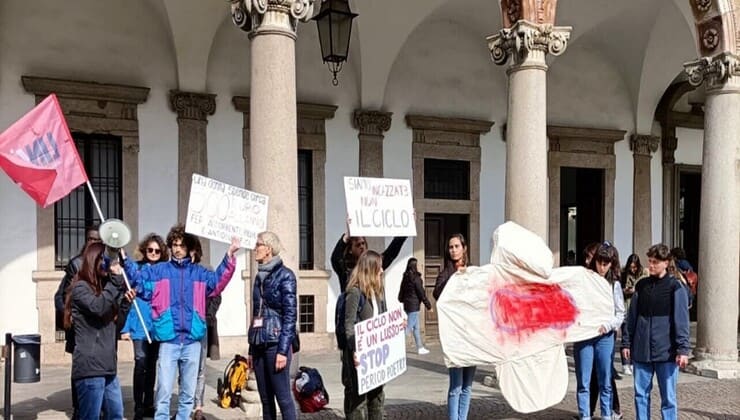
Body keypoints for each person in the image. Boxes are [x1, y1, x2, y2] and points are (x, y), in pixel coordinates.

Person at [122, 224, 240, 420]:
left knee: (187, 395)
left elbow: (217, 282)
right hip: (169, 341)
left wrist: (229, 255)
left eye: (181, 245)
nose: (177, 248)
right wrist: (124, 259)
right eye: (174, 244)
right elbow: (138, 280)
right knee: (163, 393)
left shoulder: (199, 273)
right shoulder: (160, 271)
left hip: (192, 341)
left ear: (189, 247)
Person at [63, 241, 133, 420]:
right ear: (94, 260)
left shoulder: (107, 289)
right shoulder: (80, 288)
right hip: (90, 368)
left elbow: (115, 326)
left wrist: (125, 304)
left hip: (108, 367)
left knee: (116, 414)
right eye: (104, 259)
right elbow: (98, 307)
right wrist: (116, 283)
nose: (108, 264)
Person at [622, 244, 690, 420]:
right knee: (640, 396)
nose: (650, 265)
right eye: (650, 261)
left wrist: (683, 349)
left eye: (655, 262)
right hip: (641, 351)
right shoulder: (641, 285)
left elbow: (681, 321)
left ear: (666, 263)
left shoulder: (675, 287)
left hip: (666, 353)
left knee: (668, 398)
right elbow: (632, 317)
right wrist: (626, 342)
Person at [247, 231, 297, 420]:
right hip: (259, 342)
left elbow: (290, 316)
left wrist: (283, 351)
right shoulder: (259, 277)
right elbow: (256, 314)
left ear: (268, 249)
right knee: (266, 400)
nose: (255, 248)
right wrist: (251, 348)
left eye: (258, 244)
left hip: (276, 343)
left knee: (283, 398)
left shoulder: (286, 276)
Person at [120, 233, 168, 420]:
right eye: (150, 249)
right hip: (139, 322)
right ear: (144, 250)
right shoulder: (138, 268)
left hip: (157, 323)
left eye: (157, 250)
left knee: (152, 364)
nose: (153, 253)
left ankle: (149, 403)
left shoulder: (165, 270)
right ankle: (138, 406)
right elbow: (130, 270)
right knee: (140, 362)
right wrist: (123, 254)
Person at [54, 224, 100, 420]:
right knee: (80, 370)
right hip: (80, 331)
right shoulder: (75, 264)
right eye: (91, 239)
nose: (94, 243)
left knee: (102, 372)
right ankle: (79, 409)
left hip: (101, 330)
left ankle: (99, 407)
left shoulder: (108, 265)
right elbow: (60, 297)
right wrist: (71, 314)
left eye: (98, 240)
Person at [577, 241, 625, 420]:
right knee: (584, 380)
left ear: (611, 264)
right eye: (600, 263)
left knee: (605, 379)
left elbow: (620, 312)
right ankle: (585, 415)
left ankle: (607, 415)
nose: (602, 267)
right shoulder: (585, 279)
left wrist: (609, 325)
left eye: (606, 264)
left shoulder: (614, 285)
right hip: (585, 335)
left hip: (605, 336)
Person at [433, 234, 475, 420]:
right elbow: (437, 293)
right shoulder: (446, 273)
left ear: (464, 248)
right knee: (456, 385)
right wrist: (455, 279)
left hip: (471, 334)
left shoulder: (473, 271)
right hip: (455, 336)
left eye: (457, 246)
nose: (453, 250)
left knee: (467, 385)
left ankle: (462, 417)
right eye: (451, 247)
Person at [342, 250, 387, 420]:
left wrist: (398, 325)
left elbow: (383, 318)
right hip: (359, 355)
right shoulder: (355, 292)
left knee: (377, 396)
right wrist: (356, 350)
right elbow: (349, 325)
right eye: (379, 267)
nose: (382, 271)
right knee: (358, 400)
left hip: (377, 354)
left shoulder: (378, 292)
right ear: (370, 269)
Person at [192, 237, 222, 420]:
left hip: (201, 325)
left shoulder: (207, 270)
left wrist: (208, 316)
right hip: (182, 329)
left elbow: (217, 295)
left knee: (200, 369)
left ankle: (198, 407)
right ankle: (185, 404)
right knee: (185, 369)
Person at [331, 226, 406, 293]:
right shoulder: (347, 270)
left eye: (363, 243)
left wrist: (405, 231)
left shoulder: (372, 264)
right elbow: (335, 258)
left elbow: (390, 253)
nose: (362, 246)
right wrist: (346, 236)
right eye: (358, 245)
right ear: (350, 250)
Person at [620, 254, 648, 376]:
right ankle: (625, 363)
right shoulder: (623, 274)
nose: (633, 270)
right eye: (631, 267)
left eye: (635, 268)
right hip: (626, 307)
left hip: (638, 307)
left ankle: (632, 361)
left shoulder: (643, 275)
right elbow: (618, 290)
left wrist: (635, 290)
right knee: (626, 336)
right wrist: (625, 290)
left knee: (635, 338)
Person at [397, 257, 432, 355]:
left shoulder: (406, 276)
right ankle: (396, 345)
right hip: (414, 306)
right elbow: (422, 293)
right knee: (408, 327)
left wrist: (401, 299)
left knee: (416, 327)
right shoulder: (416, 279)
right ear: (415, 266)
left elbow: (402, 289)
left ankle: (420, 347)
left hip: (407, 305)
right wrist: (429, 306)